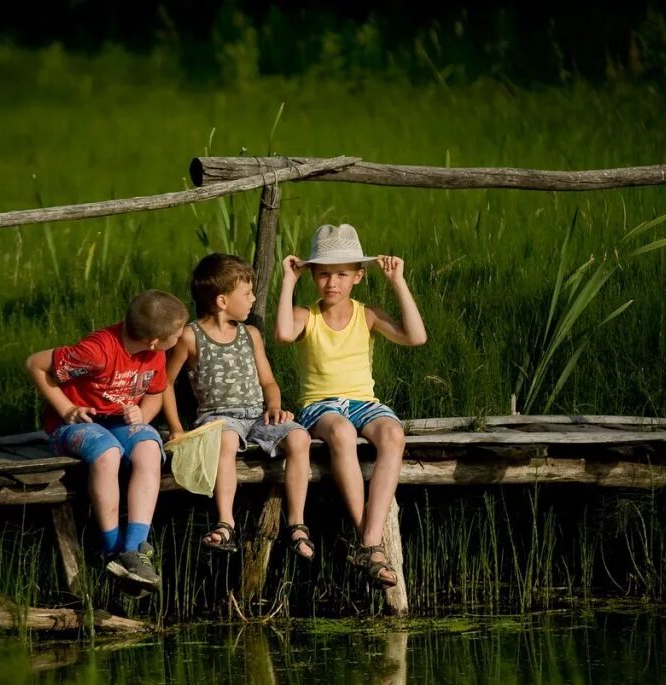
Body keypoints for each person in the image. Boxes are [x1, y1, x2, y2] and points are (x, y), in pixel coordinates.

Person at [275, 224, 427, 587]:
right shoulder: (305, 315)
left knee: (392, 433)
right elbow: (282, 334)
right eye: (324, 274)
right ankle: (370, 545)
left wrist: (397, 282)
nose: (332, 283)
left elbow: (416, 337)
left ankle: (369, 541)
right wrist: (287, 281)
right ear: (312, 274)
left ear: (358, 276)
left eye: (342, 274)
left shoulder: (367, 314)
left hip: (363, 402)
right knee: (341, 432)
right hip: (320, 406)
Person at [25, 289, 188, 594]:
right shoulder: (96, 351)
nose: (179, 339)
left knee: (150, 448)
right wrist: (67, 409)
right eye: (177, 335)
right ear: (154, 339)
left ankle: (134, 550)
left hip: (118, 422)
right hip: (73, 425)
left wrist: (142, 413)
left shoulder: (155, 354)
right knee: (108, 453)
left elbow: (154, 393)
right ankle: (111, 548)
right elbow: (35, 363)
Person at [163, 254, 315, 560]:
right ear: (221, 300)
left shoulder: (251, 335)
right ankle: (225, 523)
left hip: (257, 416)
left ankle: (297, 524)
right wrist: (177, 428)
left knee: (300, 438)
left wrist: (275, 406)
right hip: (218, 419)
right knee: (227, 440)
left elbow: (269, 381)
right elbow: (164, 383)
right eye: (246, 293)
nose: (253, 299)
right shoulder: (191, 337)